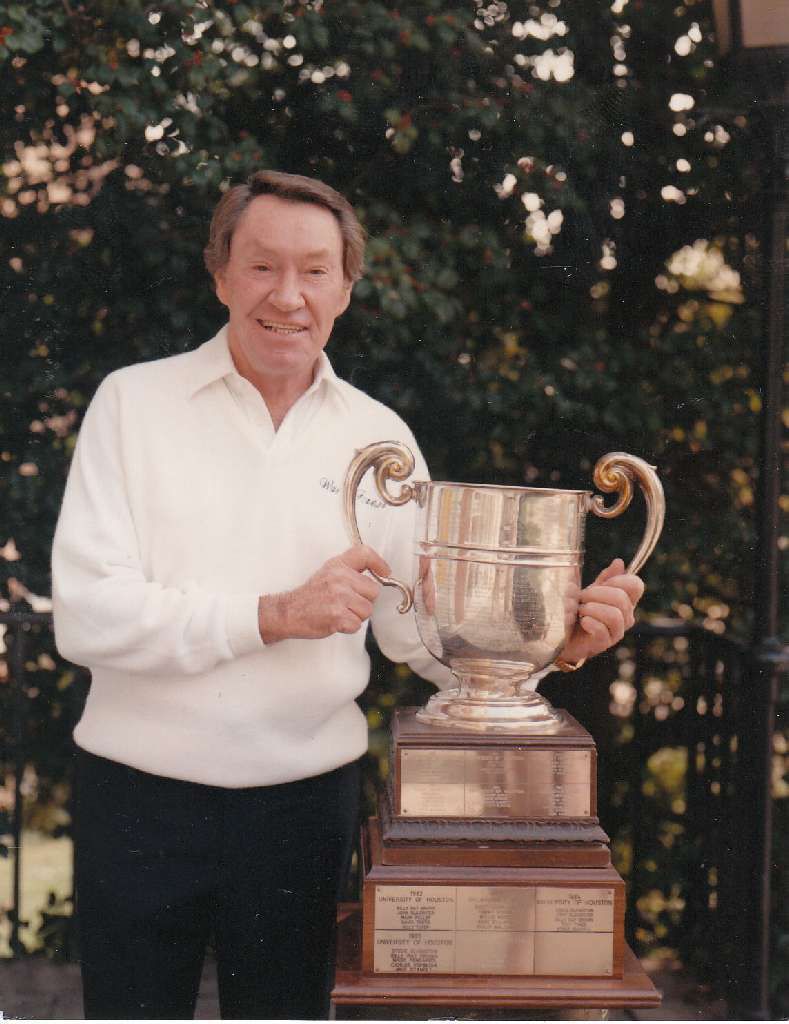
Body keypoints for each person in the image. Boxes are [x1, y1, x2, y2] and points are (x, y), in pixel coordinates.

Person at [51, 170, 644, 1019]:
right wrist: (274, 615)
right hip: (140, 801)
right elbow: (87, 613)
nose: (286, 295)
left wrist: (557, 646)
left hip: (302, 809)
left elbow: (426, 639)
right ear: (219, 274)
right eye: (261, 267)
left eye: (314, 270)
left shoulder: (380, 437)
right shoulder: (132, 404)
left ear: (346, 289)